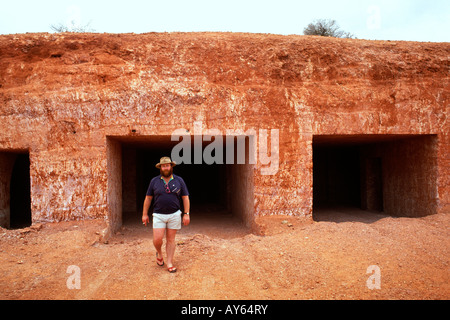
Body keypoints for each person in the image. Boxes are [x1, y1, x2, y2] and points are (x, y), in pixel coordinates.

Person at [142, 156, 190, 273]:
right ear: (160, 168)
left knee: (171, 240)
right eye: (163, 166)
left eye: (167, 165)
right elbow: (148, 198)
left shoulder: (179, 180)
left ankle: (169, 262)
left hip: (174, 214)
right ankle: (159, 252)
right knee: (157, 240)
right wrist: (144, 214)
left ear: (171, 166)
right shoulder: (154, 181)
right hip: (158, 214)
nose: (165, 168)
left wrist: (186, 213)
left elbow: (185, 197)